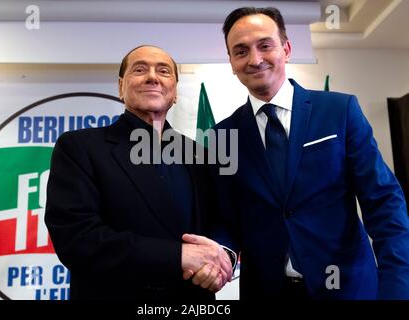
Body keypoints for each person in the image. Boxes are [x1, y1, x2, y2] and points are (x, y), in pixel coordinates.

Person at [199, 7, 409, 299]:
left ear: (286, 48)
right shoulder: (222, 136)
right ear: (232, 62)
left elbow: (384, 202)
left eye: (265, 45)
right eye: (241, 51)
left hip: (348, 288)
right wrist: (222, 253)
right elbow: (226, 219)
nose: (255, 59)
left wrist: (398, 287)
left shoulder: (339, 111)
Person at [45, 45, 232, 300]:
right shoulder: (79, 147)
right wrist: (177, 256)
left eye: (163, 71)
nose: (152, 77)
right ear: (121, 87)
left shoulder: (202, 155)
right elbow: (77, 238)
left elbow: (224, 219)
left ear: (174, 91)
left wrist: (222, 255)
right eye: (140, 69)